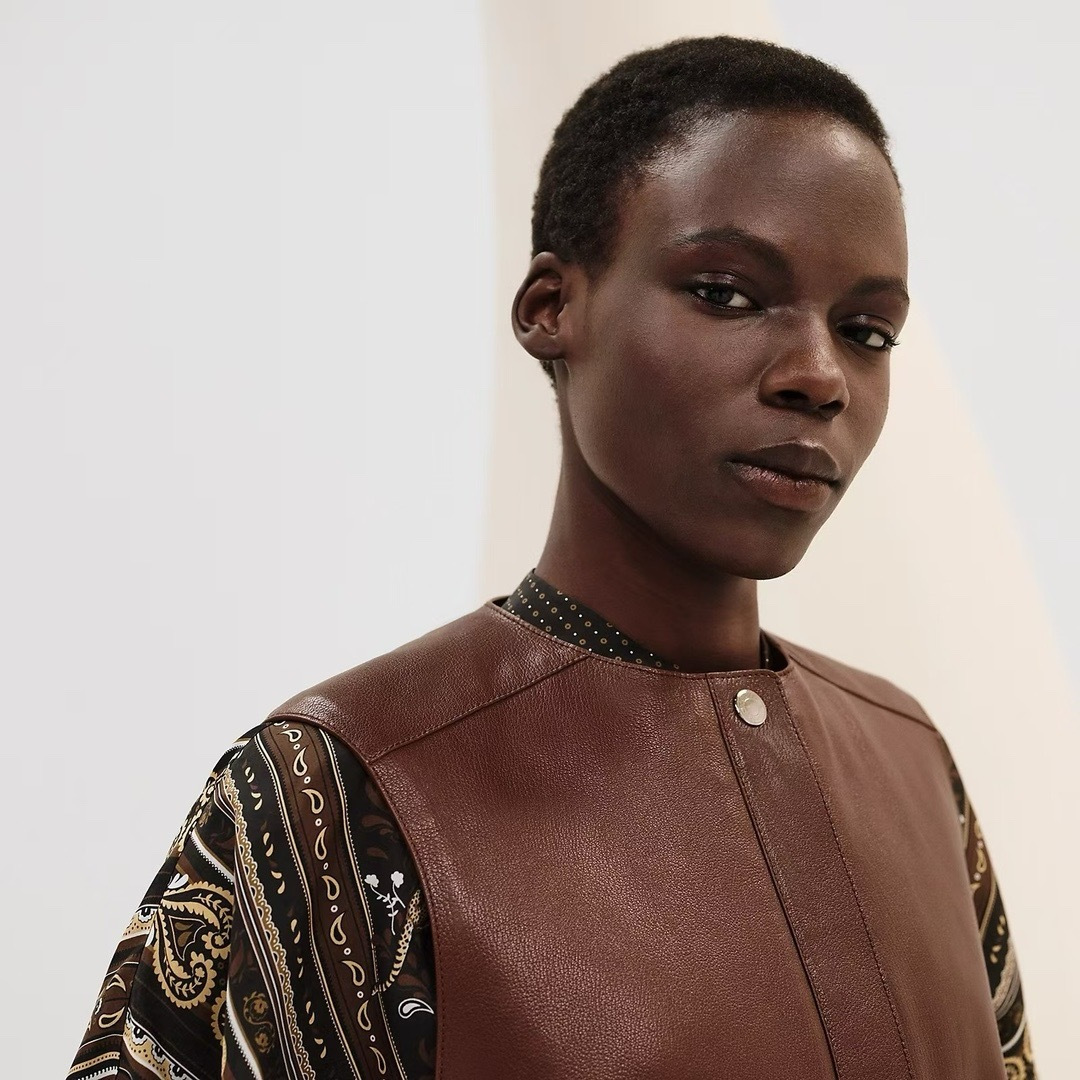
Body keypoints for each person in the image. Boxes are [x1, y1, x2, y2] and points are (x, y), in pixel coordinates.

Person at [69, 35, 1036, 1080]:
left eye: (867, 331)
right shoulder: (336, 791)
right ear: (551, 309)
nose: (820, 375)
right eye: (726, 291)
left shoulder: (912, 761)